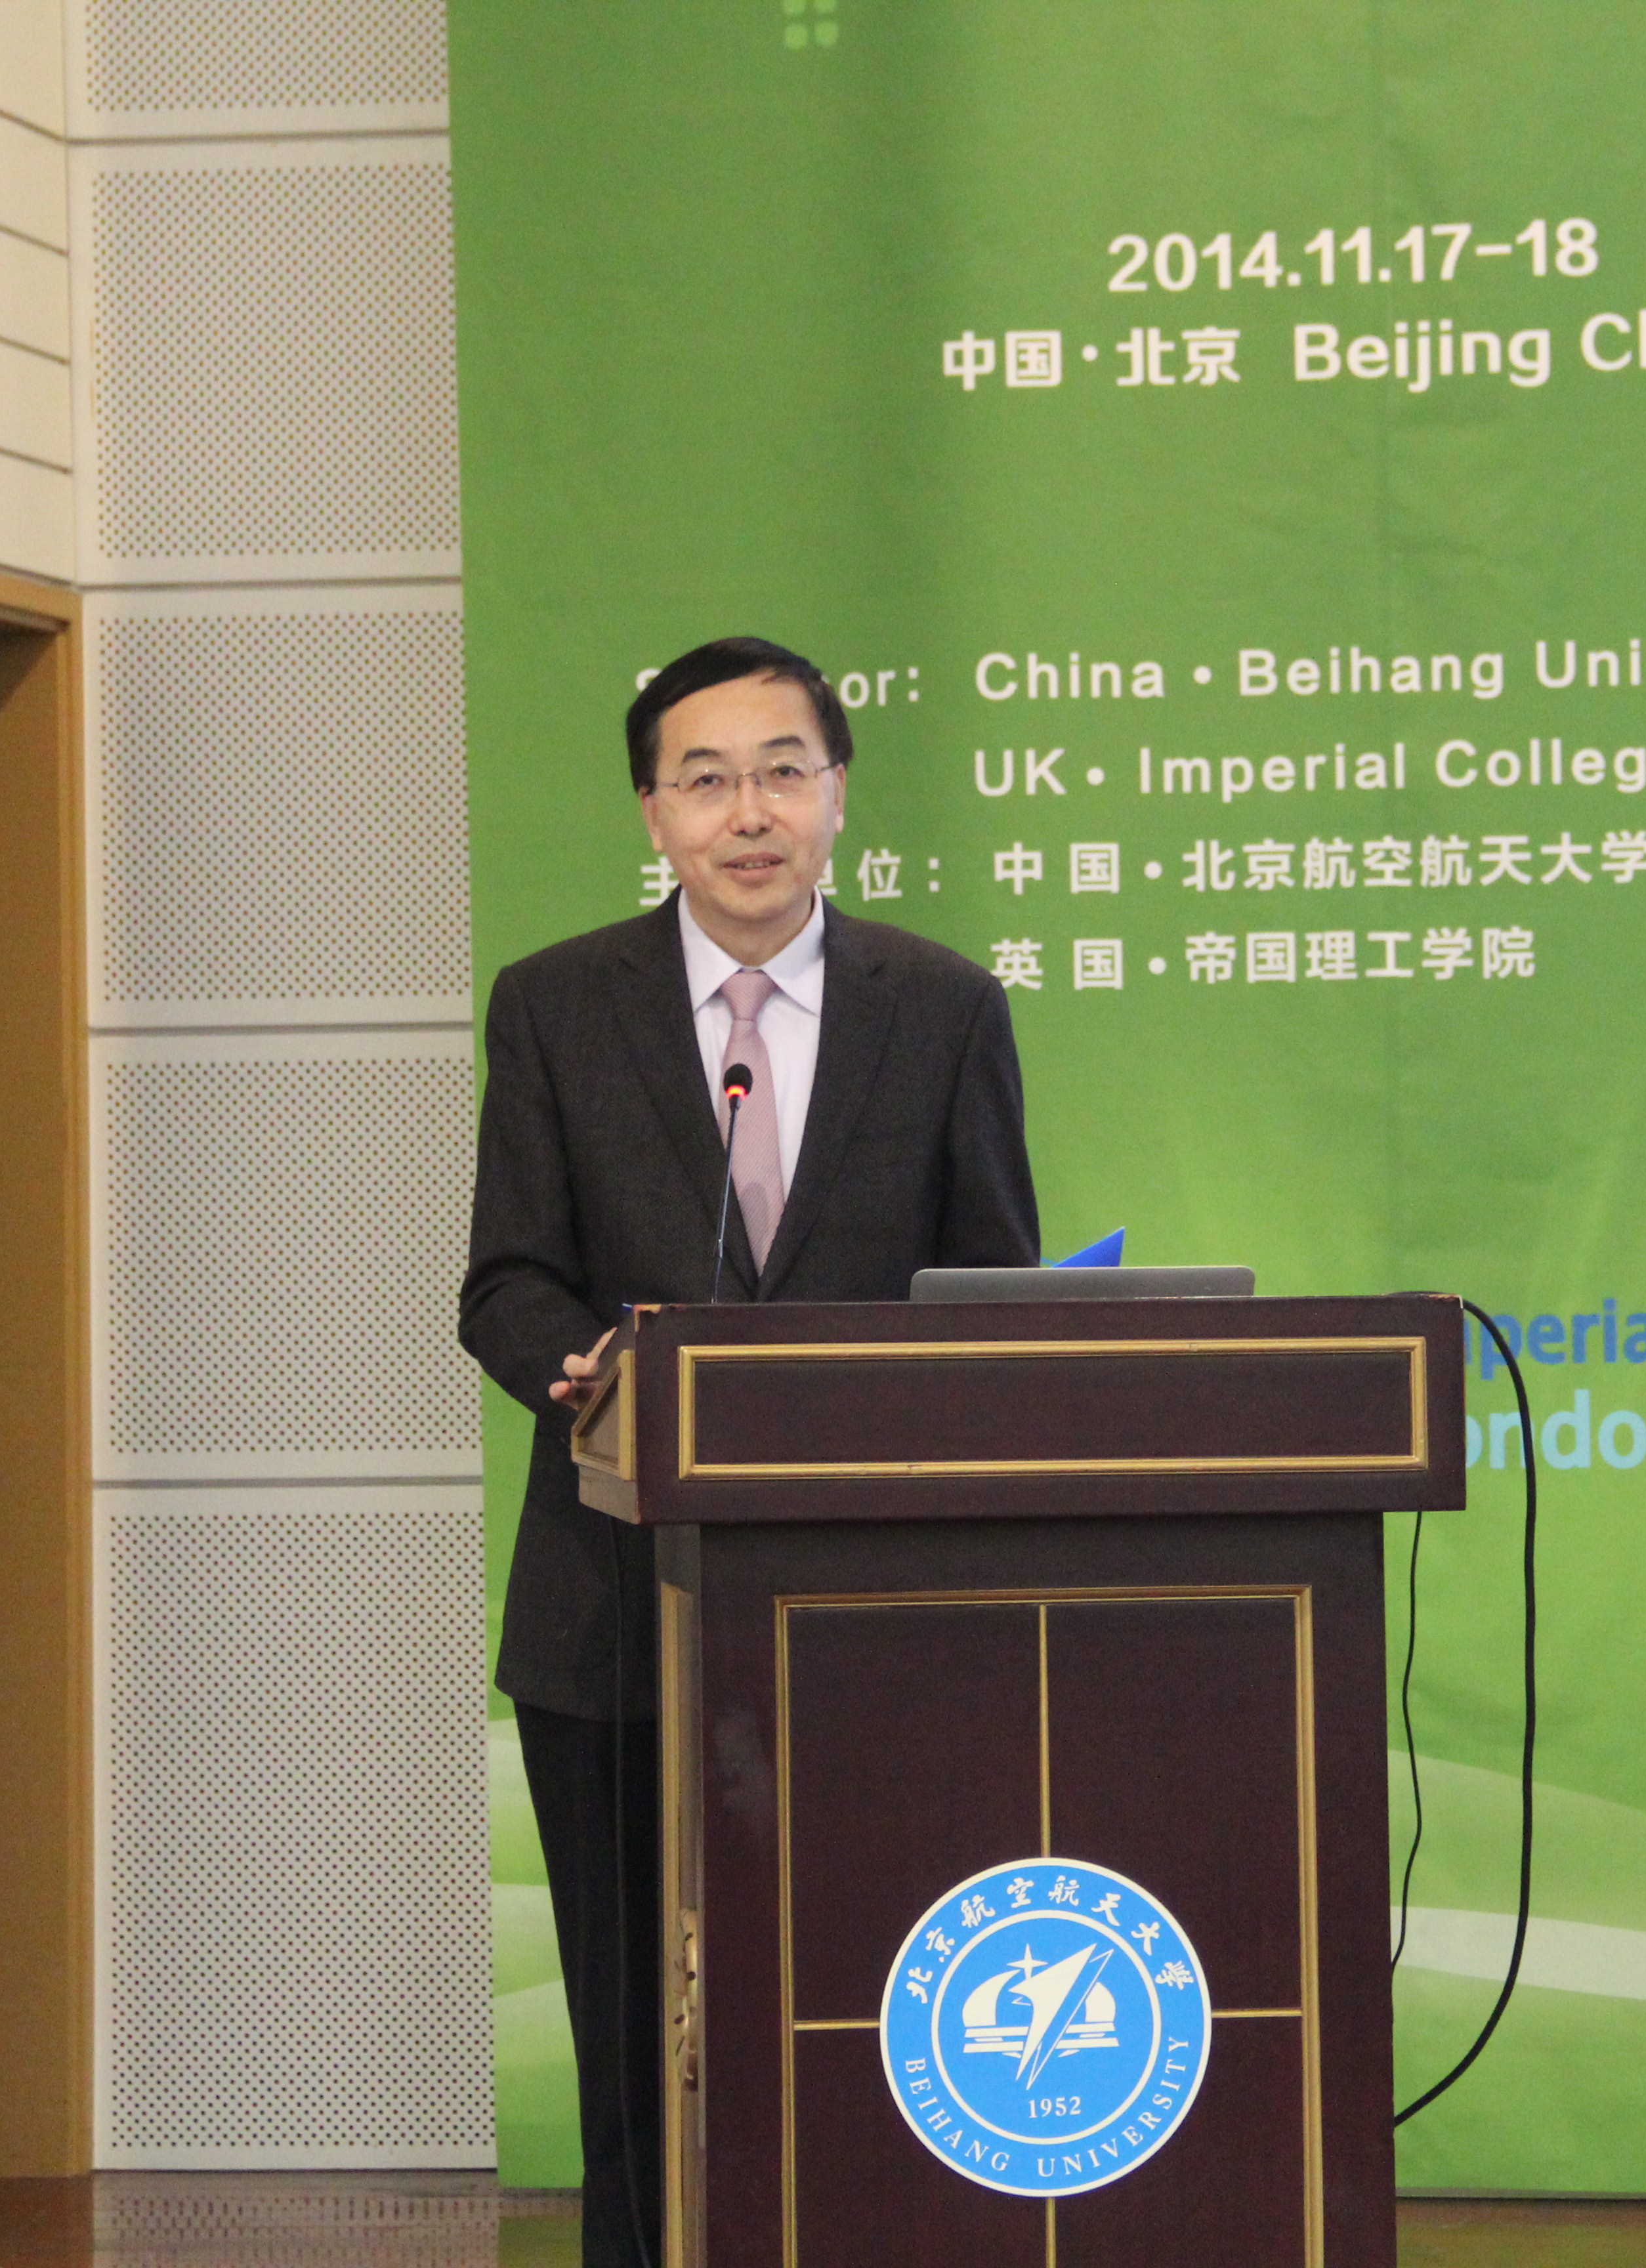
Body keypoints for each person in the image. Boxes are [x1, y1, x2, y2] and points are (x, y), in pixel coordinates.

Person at [457, 636, 1040, 2263]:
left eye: (785, 771)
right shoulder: (557, 1006)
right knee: (639, 2042)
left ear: (839, 793)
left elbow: (995, 1292)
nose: (750, 813)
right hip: (617, 1612)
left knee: (870, 2013)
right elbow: (505, 1280)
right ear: (653, 812)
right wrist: (581, 1371)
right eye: (706, 780)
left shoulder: (945, 1007)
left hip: (880, 1628)